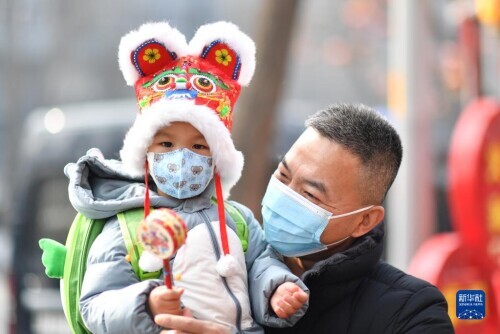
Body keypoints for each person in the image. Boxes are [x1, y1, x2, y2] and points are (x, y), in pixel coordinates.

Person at [66, 21, 308, 334]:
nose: (183, 157)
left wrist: (277, 289)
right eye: (166, 144)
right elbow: (96, 304)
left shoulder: (238, 220)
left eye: (198, 146)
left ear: (217, 157)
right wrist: (147, 303)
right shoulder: (126, 227)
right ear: (146, 154)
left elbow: (261, 264)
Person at [155, 103, 455, 333]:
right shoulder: (222, 261)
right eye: (283, 175)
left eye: (310, 195)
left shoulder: (411, 313)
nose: (285, 195)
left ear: (365, 221)